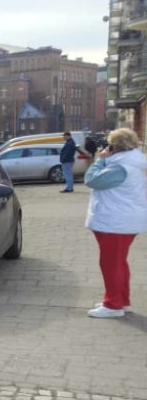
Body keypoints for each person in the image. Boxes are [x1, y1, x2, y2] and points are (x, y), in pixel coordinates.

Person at [84, 128, 147, 318]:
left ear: (116, 147)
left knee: (110, 263)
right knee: (119, 263)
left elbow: (91, 180)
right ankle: (122, 300)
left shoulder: (121, 167)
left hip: (116, 222)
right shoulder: (134, 162)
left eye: (110, 145)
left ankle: (113, 305)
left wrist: (100, 160)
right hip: (122, 220)